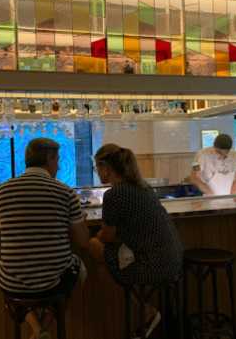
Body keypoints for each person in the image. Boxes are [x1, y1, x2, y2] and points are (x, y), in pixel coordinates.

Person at [0, 138, 89, 339]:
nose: (59, 165)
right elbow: (82, 241)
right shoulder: (65, 192)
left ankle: (37, 330)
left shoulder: (2, 192)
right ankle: (44, 327)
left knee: (10, 276)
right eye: (57, 160)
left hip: (12, 281)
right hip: (54, 281)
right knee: (79, 270)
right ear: (49, 158)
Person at [89, 144, 183, 338]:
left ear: (105, 167)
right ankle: (143, 312)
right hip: (173, 260)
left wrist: (95, 235)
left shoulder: (115, 194)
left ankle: (137, 314)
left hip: (152, 264)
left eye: (96, 167)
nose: (97, 172)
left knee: (93, 246)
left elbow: (107, 236)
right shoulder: (144, 188)